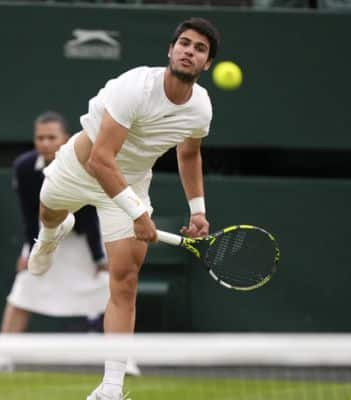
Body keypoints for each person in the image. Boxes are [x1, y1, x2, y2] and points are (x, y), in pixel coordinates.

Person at [27, 18, 220, 400]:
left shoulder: (200, 109)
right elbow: (101, 159)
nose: (189, 51)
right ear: (170, 50)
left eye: (199, 48)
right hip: (82, 168)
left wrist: (197, 209)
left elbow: (189, 152)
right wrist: (137, 213)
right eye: (184, 43)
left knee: (125, 279)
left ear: (207, 64)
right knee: (48, 211)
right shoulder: (135, 87)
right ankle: (51, 235)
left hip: (130, 181)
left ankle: (111, 387)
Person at [0, 111, 141, 376]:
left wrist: (99, 259)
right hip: (46, 237)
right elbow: (29, 214)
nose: (45, 143)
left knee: (113, 295)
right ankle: (2, 357)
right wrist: (32, 249)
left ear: (64, 139)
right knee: (22, 291)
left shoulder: (84, 162)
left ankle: (125, 361)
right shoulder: (24, 167)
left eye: (51, 137)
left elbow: (88, 216)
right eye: (40, 138)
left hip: (86, 239)